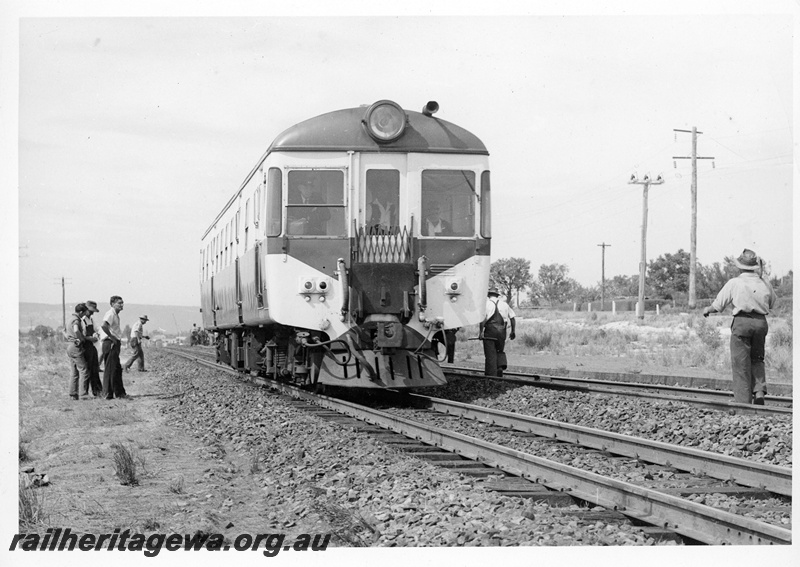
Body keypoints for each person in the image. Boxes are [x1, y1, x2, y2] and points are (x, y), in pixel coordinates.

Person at [703, 249, 777, 405]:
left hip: (742, 323)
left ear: (740, 266)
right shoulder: (765, 283)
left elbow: (718, 305)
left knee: (740, 362)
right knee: (757, 359)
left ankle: (743, 402)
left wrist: (707, 310)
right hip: (761, 323)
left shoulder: (735, 282)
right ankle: (758, 391)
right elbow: (772, 303)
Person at [479, 287, 516, 377]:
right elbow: (512, 318)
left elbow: (483, 320)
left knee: (490, 353)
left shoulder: (486, 304)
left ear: (488, 295)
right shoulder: (504, 304)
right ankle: (499, 367)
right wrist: (513, 331)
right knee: (500, 350)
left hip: (490, 331)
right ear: (497, 295)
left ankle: (491, 376)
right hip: (502, 331)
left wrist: (481, 332)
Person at [99, 295, 128, 399]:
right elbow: (104, 325)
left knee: (115, 368)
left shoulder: (115, 314)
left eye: (122, 302)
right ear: (112, 304)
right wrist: (111, 337)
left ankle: (118, 393)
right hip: (110, 342)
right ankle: (107, 394)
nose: (121, 305)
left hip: (113, 342)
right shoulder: (110, 314)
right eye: (119, 303)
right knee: (111, 368)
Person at [65, 303, 91, 400]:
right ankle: (83, 394)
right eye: (83, 313)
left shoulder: (70, 319)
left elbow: (64, 331)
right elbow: (76, 330)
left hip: (70, 346)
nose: (84, 315)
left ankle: (73, 394)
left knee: (74, 372)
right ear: (80, 312)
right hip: (76, 347)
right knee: (84, 370)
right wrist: (81, 338)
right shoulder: (76, 320)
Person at [82, 300, 103, 397]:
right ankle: (85, 392)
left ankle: (97, 391)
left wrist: (97, 334)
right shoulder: (82, 320)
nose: (92, 313)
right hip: (85, 346)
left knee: (95, 368)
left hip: (92, 345)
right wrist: (89, 338)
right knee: (88, 370)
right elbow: (81, 335)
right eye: (91, 311)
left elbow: (97, 328)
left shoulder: (91, 319)